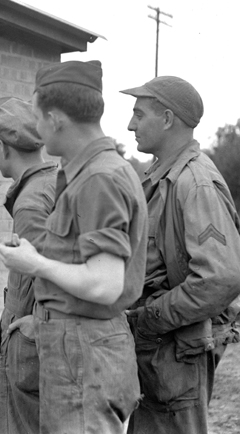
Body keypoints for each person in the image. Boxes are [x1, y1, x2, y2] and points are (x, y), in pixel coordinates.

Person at [0, 60, 148, 434]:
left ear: (56, 119)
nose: (36, 128)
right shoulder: (86, 171)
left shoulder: (99, 177)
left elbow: (104, 284)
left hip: (85, 352)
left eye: (37, 117)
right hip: (78, 347)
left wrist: (35, 264)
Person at [121, 76, 240, 434]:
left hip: (175, 357)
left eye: (139, 115)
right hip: (158, 354)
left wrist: (148, 319)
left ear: (168, 119)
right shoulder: (162, 176)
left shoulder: (195, 183)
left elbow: (221, 277)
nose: (131, 125)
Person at [0, 97, 57, 434]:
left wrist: (36, 324)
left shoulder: (30, 201)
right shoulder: (53, 183)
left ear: (3, 146)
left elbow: (48, 274)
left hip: (28, 342)